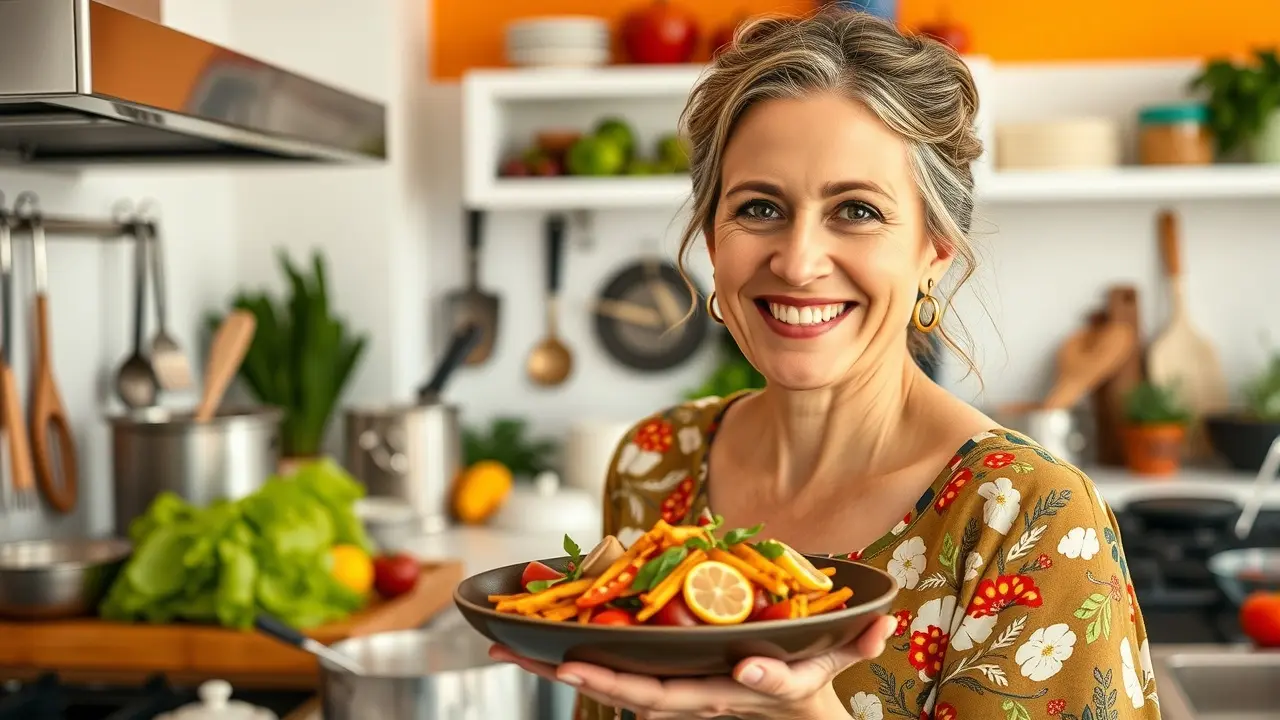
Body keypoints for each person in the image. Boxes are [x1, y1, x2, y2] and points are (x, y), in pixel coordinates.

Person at [490, 9, 1161, 720]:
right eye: (758, 207)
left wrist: (806, 711)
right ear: (713, 243)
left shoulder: (1026, 515)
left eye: (858, 211)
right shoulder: (655, 463)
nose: (799, 260)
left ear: (934, 250)